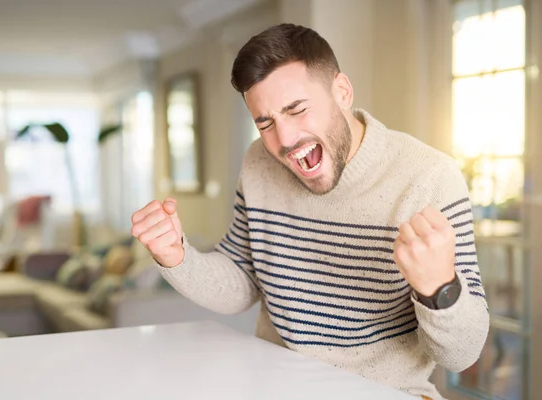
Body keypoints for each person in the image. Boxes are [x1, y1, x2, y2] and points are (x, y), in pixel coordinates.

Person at [131, 23, 489, 400]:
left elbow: (461, 355)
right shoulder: (258, 162)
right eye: (265, 122)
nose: (284, 140)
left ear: (342, 92)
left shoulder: (429, 177)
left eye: (297, 109)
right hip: (275, 385)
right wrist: (175, 256)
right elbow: (240, 282)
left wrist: (439, 288)